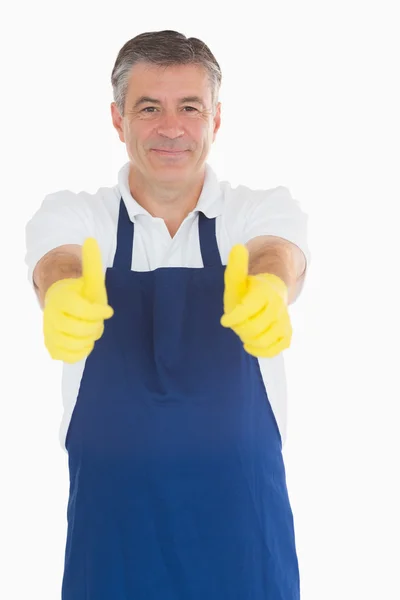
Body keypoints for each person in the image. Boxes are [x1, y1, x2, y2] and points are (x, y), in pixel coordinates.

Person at [25, 30, 311, 600]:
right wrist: (62, 292)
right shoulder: (78, 216)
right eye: (149, 108)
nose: (172, 127)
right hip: (113, 537)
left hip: (241, 535)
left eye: (190, 107)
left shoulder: (256, 209)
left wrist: (268, 286)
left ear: (217, 119)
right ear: (117, 119)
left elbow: (276, 250)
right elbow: (57, 259)